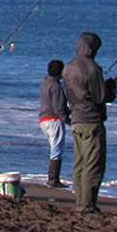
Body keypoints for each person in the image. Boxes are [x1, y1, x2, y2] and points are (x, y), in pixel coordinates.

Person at [61, 32, 117, 213]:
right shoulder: (93, 68)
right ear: (92, 48)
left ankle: (80, 200)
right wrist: (110, 89)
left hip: (76, 119)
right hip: (92, 120)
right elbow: (101, 96)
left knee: (80, 162)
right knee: (93, 164)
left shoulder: (68, 67)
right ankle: (87, 205)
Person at [38, 58, 71, 190]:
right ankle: (53, 179)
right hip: (54, 120)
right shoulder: (56, 86)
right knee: (56, 149)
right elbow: (58, 108)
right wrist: (67, 119)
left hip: (44, 120)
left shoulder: (45, 83)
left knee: (55, 148)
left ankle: (53, 178)